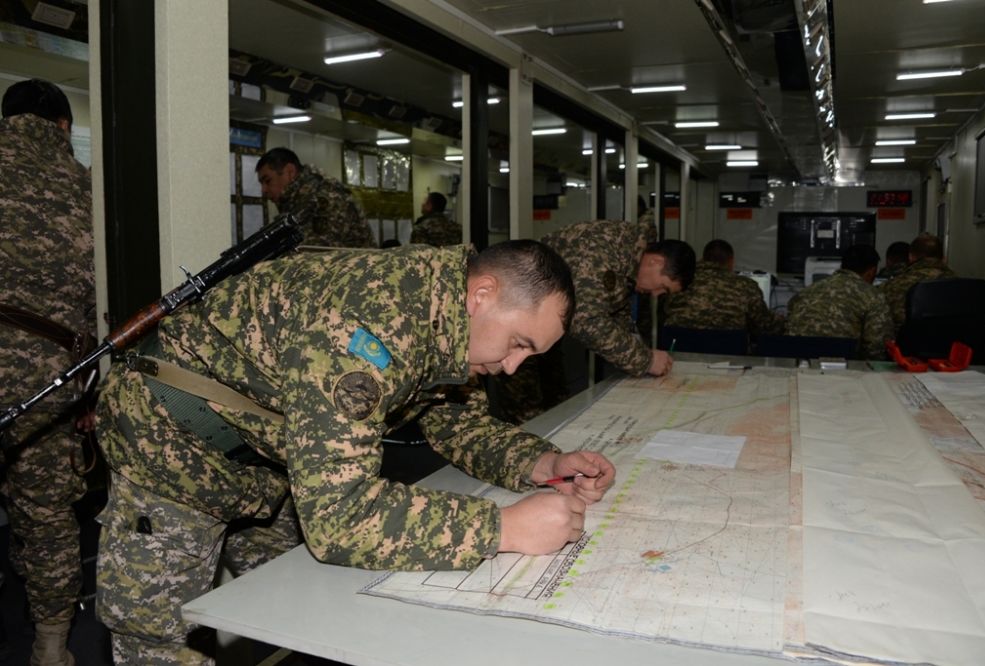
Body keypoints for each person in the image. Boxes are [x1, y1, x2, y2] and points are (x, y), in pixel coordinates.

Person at [94, 240, 616, 664]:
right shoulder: (372, 325)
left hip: (266, 452)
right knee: (165, 640)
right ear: (482, 293)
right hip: (171, 440)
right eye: (519, 343)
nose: (512, 368)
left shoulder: (443, 316)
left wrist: (541, 464)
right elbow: (340, 516)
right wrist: (504, 528)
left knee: (302, 609)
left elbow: (454, 419)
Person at [0, 78, 95, 666]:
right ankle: (52, 645)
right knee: (46, 510)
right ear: (63, 126)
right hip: (43, 373)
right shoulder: (85, 187)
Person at [495, 220, 695, 423]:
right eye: (663, 288)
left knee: (557, 408)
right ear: (657, 262)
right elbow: (585, 319)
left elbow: (616, 311)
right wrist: (645, 359)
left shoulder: (629, 258)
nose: (656, 295)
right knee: (528, 415)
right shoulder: (605, 245)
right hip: (515, 324)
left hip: (544, 329)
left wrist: (640, 352)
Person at [787, 244, 893, 360]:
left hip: (799, 366)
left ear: (843, 266)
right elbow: (876, 349)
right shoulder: (874, 297)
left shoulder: (806, 292)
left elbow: (788, 330)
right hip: (844, 370)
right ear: (872, 271)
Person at [659, 239, 784, 336]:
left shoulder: (678, 280)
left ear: (703, 257)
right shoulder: (746, 286)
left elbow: (661, 314)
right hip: (729, 357)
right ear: (730, 261)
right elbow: (764, 326)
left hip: (679, 352)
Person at [255, 147, 374, 248]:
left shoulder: (325, 196)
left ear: (289, 172)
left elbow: (316, 251)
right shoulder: (300, 200)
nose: (263, 190)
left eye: (268, 181)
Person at [879, 233, 956, 332]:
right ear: (944, 258)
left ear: (910, 257)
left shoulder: (891, 286)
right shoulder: (963, 287)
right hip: (954, 346)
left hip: (907, 346)